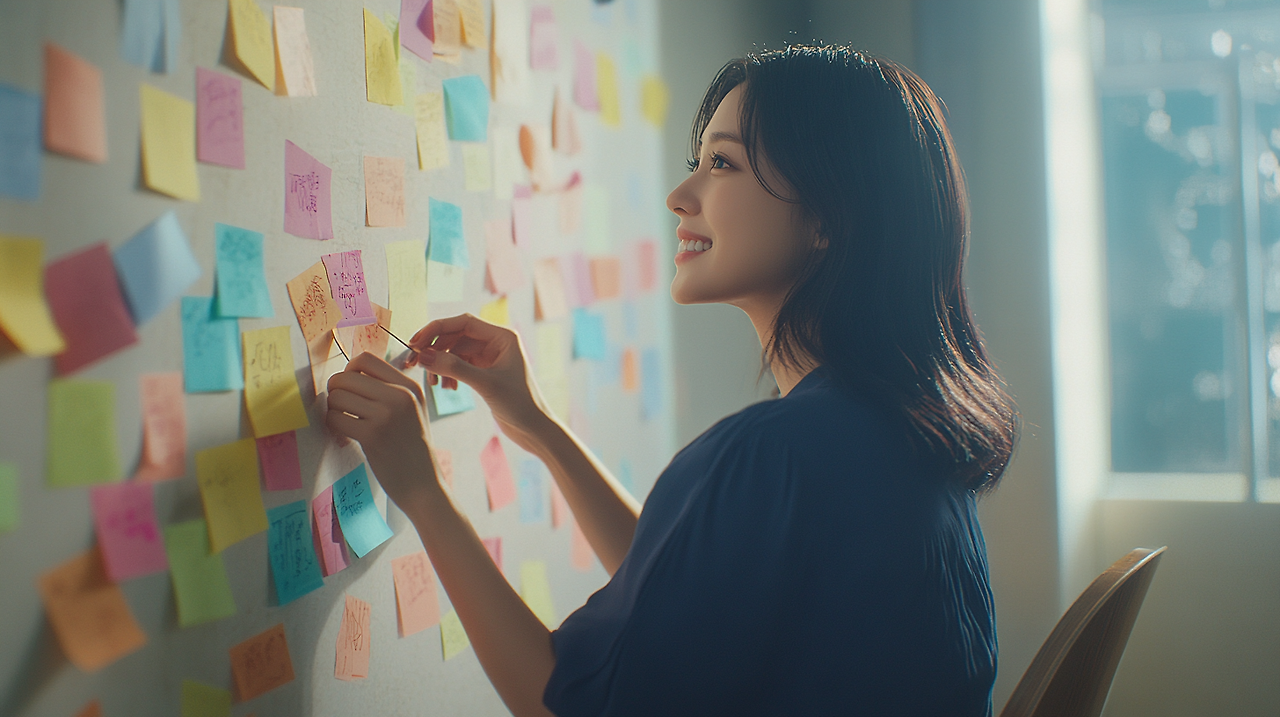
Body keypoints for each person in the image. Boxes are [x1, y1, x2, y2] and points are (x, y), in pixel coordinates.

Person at [325, 44, 1017, 717]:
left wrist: (421, 489)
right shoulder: (883, 425)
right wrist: (536, 424)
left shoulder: (778, 450)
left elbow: (563, 703)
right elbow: (690, 590)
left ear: (828, 216)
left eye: (722, 164)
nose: (680, 194)